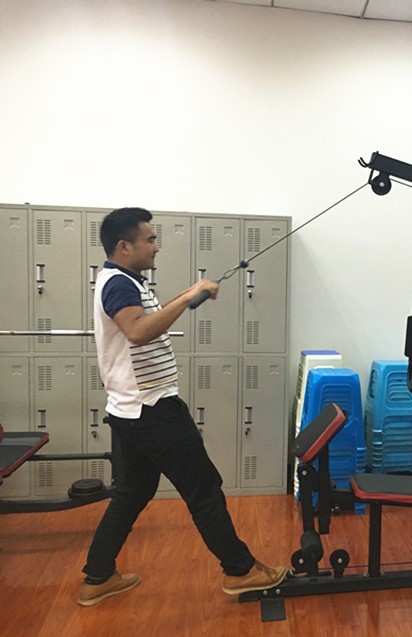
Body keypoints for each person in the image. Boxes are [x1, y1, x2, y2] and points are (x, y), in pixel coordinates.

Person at [78, 207, 285, 606]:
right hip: (153, 409)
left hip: (130, 411)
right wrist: (189, 296)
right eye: (150, 240)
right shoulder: (119, 284)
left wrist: (190, 294)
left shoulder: (123, 280)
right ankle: (240, 571)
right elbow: (137, 331)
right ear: (124, 246)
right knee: (204, 489)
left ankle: (97, 577)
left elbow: (147, 319)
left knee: (132, 493)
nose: (156, 247)